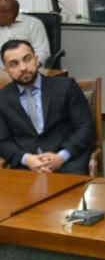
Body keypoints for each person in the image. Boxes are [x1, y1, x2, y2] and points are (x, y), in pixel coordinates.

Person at [0, 39, 93, 174]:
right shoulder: (2, 99)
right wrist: (27, 159)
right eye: (14, 64)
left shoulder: (65, 86)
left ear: (37, 60)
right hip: (26, 169)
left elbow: (85, 127)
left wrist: (61, 156)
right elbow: (2, 141)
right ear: (6, 70)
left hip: (67, 164)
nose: (23, 67)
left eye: (27, 59)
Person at [0, 0, 50, 80]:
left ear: (10, 14)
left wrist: (28, 69)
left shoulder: (33, 24)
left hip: (28, 73)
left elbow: (42, 52)